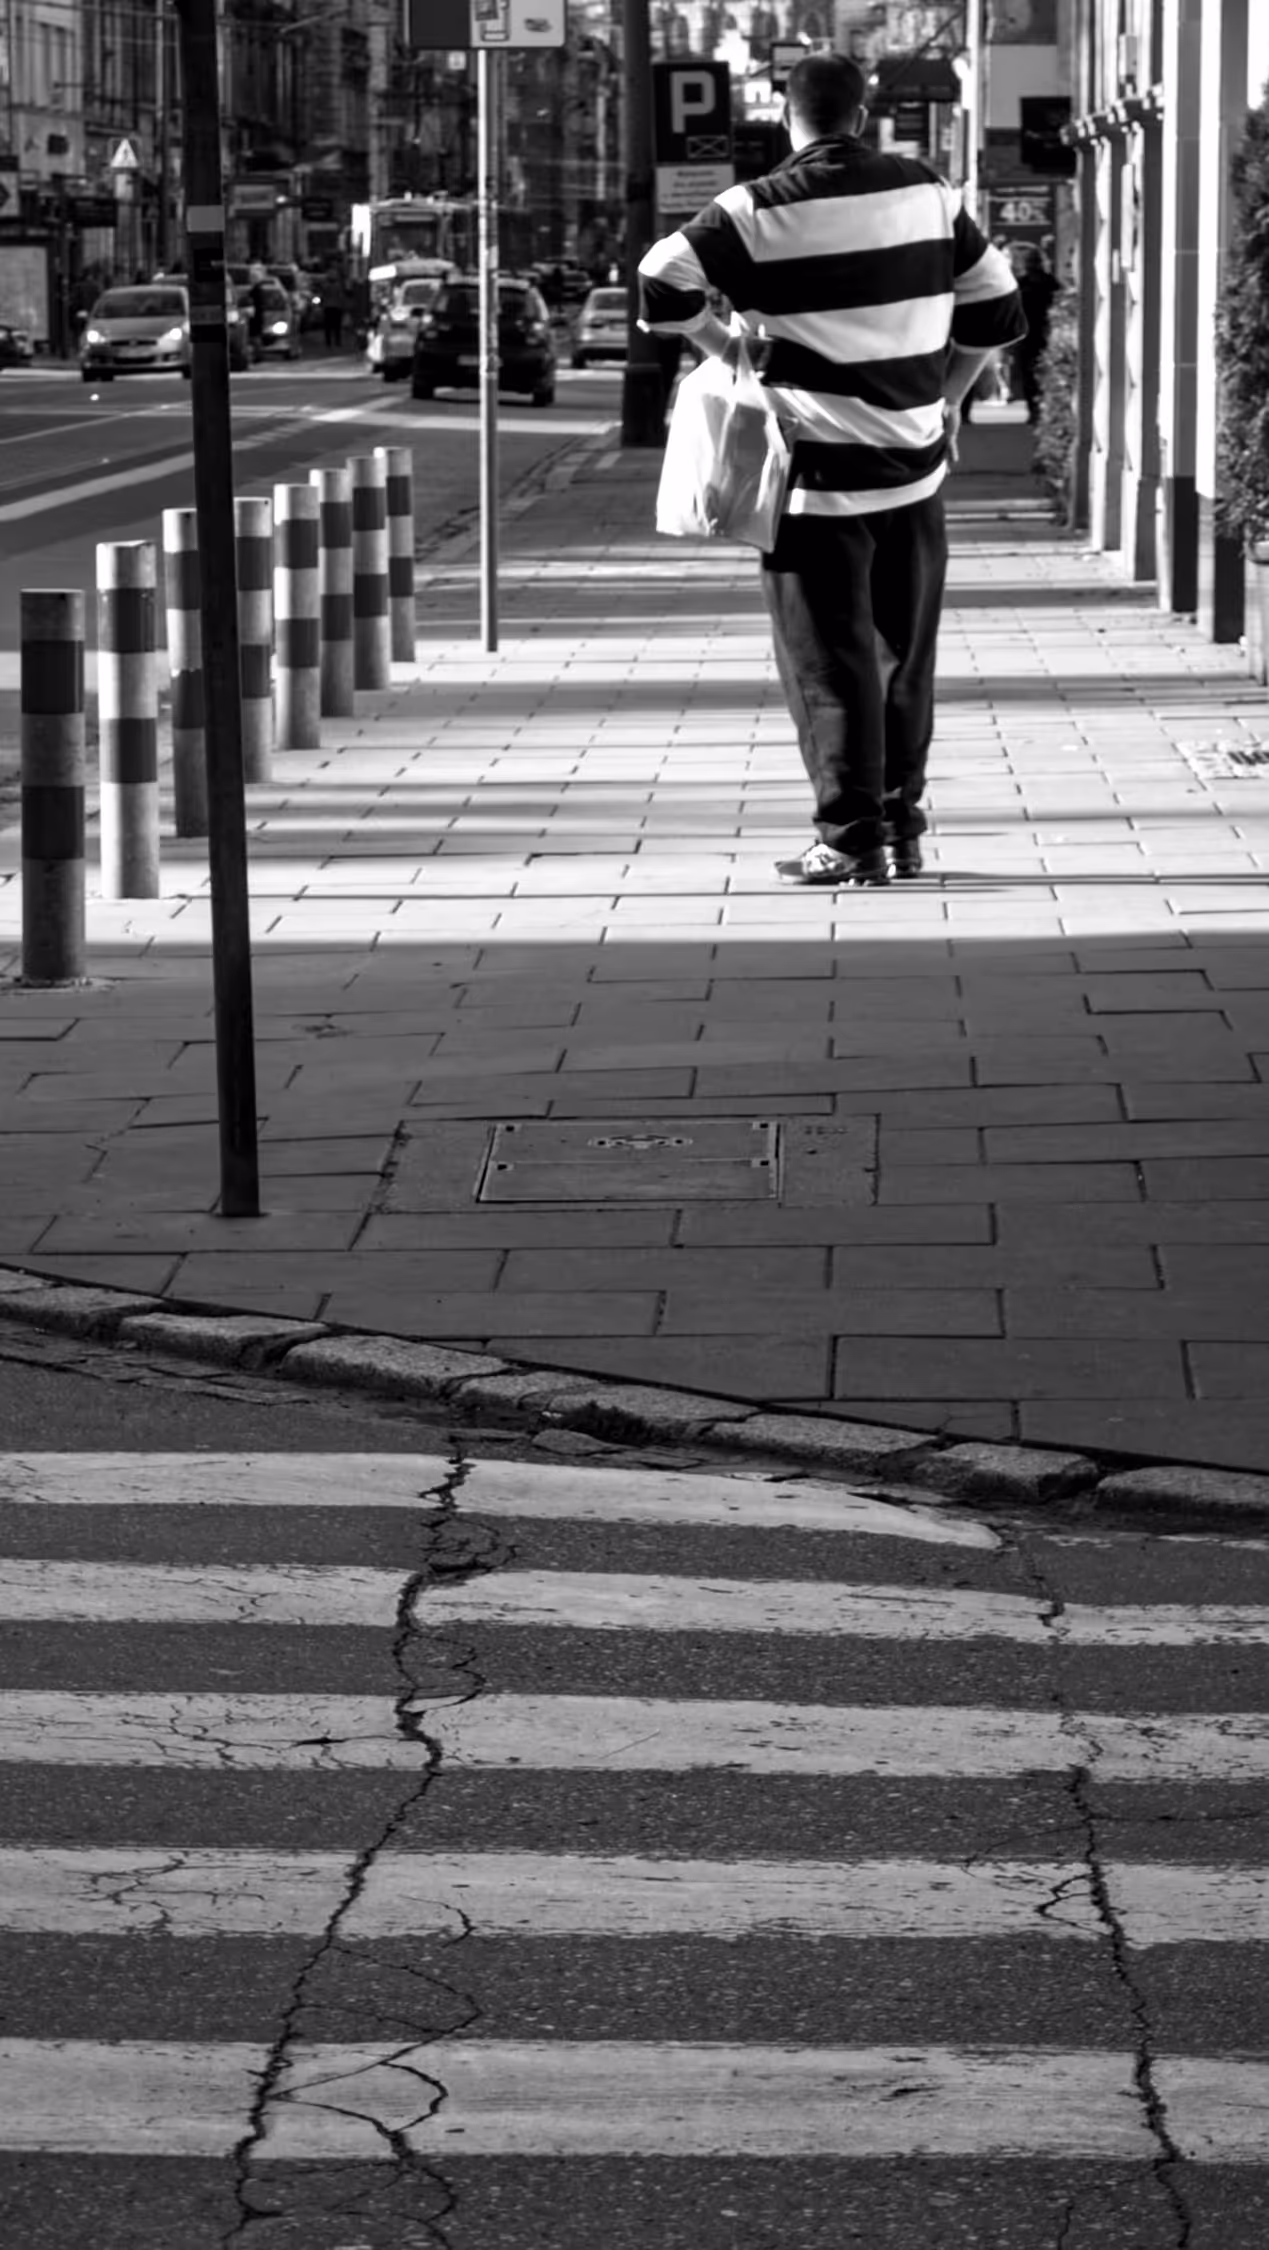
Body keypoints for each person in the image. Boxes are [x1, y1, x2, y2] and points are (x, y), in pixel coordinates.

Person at [639, 52, 1025, 887]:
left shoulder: (753, 209)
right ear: (862, 115)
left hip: (811, 478)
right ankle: (902, 826)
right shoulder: (927, 193)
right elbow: (996, 310)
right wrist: (948, 401)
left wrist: (728, 346)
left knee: (827, 664)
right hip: (914, 470)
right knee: (902, 657)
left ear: (789, 117)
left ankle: (849, 838)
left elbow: (659, 278)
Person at [1014, 245, 1060, 426]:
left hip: (1030, 333)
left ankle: (1035, 410)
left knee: (1030, 374)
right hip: (1040, 333)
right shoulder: (1048, 282)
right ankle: (1038, 411)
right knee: (1037, 373)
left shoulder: (1024, 283)